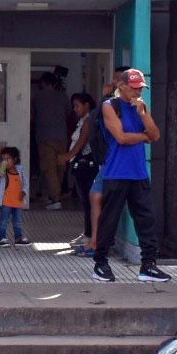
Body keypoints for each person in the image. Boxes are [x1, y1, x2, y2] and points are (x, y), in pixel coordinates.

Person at [93, 69, 171, 284]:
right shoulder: (110, 106)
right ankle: (100, 263)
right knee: (110, 219)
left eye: (140, 88)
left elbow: (155, 135)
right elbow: (120, 137)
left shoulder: (141, 107)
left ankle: (148, 265)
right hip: (116, 172)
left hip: (138, 173)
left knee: (146, 220)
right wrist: (143, 136)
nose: (137, 91)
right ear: (122, 86)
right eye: (134, 87)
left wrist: (143, 115)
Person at [60, 93, 100, 255]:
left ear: (86, 105)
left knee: (89, 202)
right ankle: (88, 232)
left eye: (77, 106)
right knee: (86, 201)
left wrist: (67, 157)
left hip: (87, 167)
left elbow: (81, 142)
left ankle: (91, 235)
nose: (75, 109)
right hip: (81, 166)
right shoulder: (82, 121)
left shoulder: (88, 122)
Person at [32, 72, 70, 208]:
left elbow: (33, 115)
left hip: (45, 136)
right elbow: (68, 113)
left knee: (49, 168)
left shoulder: (37, 97)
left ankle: (55, 198)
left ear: (43, 83)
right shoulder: (63, 97)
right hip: (62, 135)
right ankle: (53, 194)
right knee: (60, 166)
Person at [0, 146, 32, 246]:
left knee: (17, 221)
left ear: (14, 159)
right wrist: (0, 172)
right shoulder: (3, 172)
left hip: (17, 201)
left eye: (8, 159)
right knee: (4, 221)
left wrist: (24, 192)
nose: (5, 161)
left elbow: (25, 183)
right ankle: (2, 238)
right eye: (3, 159)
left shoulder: (20, 170)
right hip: (6, 201)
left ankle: (18, 238)